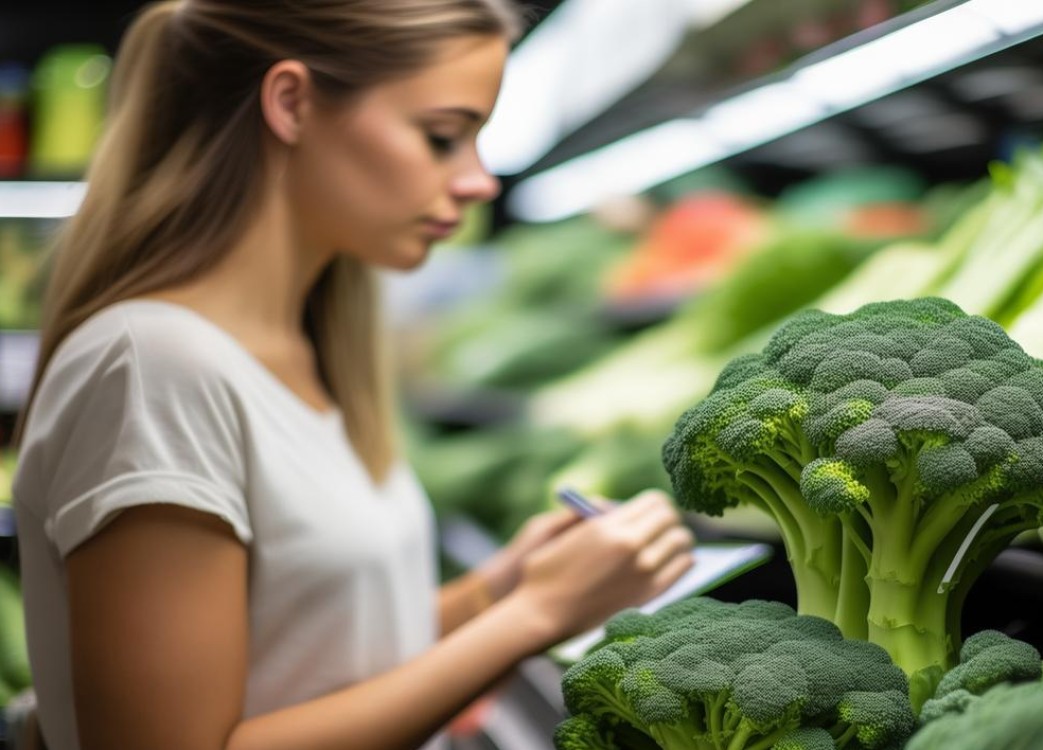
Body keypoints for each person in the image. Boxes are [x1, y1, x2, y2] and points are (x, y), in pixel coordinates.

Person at [9, 1, 697, 748]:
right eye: (442, 137)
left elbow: (316, 652)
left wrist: (497, 589)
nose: (479, 182)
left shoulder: (303, 347)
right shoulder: (154, 369)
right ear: (291, 104)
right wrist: (533, 616)